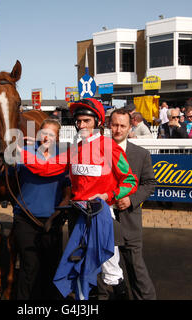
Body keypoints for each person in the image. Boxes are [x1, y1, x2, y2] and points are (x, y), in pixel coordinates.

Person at [18, 98, 138, 299]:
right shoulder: (75, 150)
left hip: (101, 216)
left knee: (111, 271)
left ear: (97, 122)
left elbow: (130, 181)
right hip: (80, 217)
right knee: (81, 268)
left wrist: (109, 196)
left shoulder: (109, 147)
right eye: (78, 121)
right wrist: (20, 153)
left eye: (86, 121)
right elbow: (47, 168)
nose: (81, 125)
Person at [99, 108, 156, 300]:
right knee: (102, 273)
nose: (118, 129)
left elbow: (149, 184)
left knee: (137, 271)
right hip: (103, 221)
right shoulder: (97, 151)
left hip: (129, 220)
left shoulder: (140, 154)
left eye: (122, 126)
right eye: (114, 125)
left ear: (130, 126)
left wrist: (131, 199)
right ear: (109, 125)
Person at [13, 119, 71, 300]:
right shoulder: (24, 152)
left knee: (51, 266)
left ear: (58, 137)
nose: (47, 137)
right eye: (44, 133)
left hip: (52, 220)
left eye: (51, 134)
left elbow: (68, 188)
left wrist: (65, 201)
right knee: (29, 266)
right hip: (26, 219)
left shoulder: (63, 156)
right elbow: (7, 175)